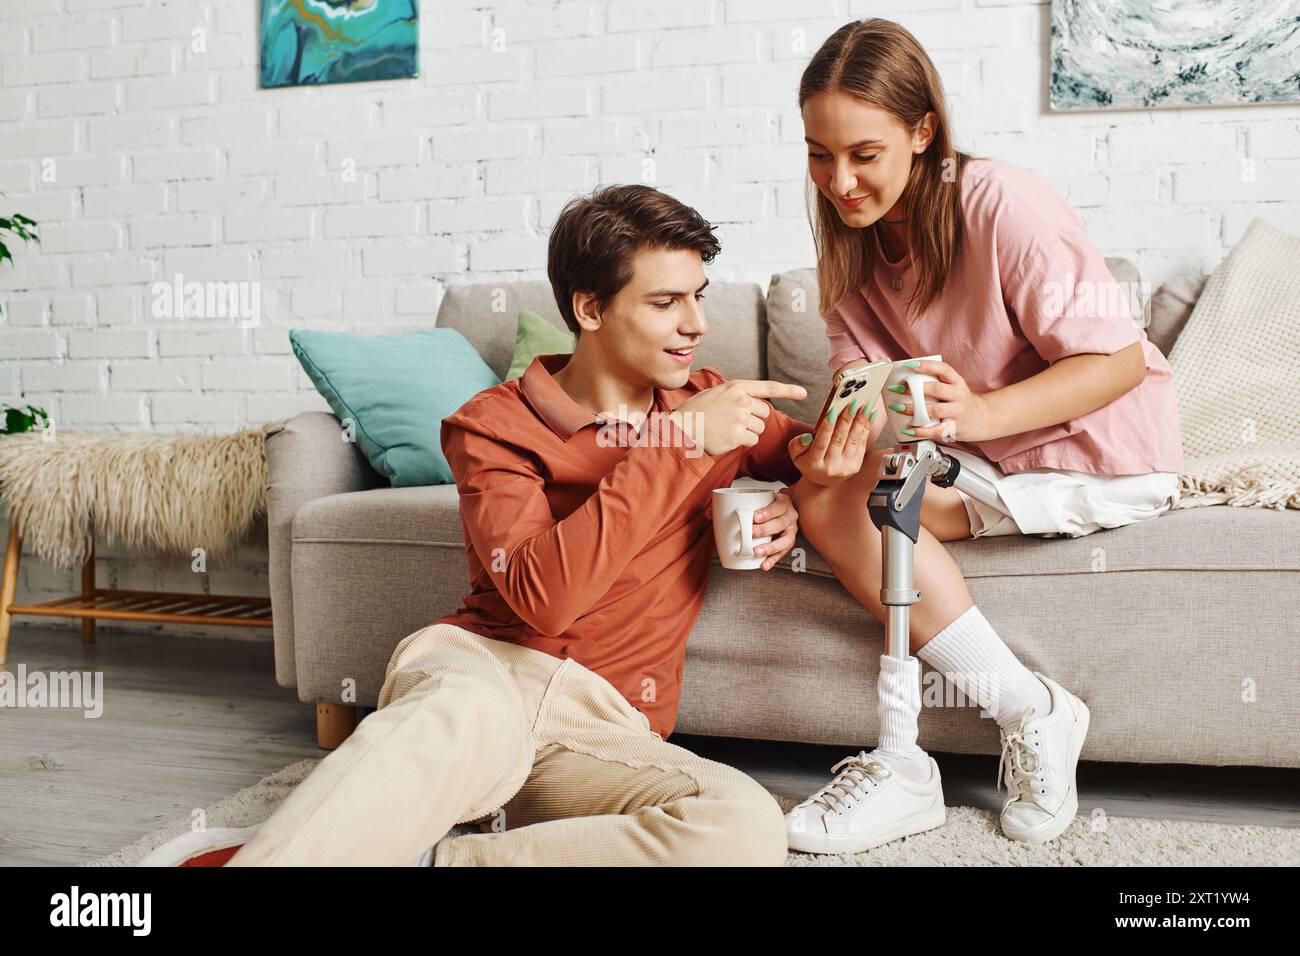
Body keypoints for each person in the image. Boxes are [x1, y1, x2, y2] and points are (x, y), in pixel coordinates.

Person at [227, 184, 818, 866]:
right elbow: (545, 597)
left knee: (741, 826)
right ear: (589, 308)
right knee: (443, 722)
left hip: (604, 731)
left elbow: (832, 459)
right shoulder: (493, 424)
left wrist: (802, 499)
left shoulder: (707, 402)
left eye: (699, 295)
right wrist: (675, 446)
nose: (696, 324)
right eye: (665, 303)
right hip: (483, 676)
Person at [780, 18, 1185, 853]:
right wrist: (827, 452)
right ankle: (1007, 720)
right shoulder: (849, 253)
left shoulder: (1000, 202)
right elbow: (867, 407)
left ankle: (1031, 716)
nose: (841, 181)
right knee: (830, 498)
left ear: (923, 131)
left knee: (856, 507)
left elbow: (1117, 360)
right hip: (982, 458)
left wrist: (980, 414)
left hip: (1095, 449)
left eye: (864, 153)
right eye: (821, 155)